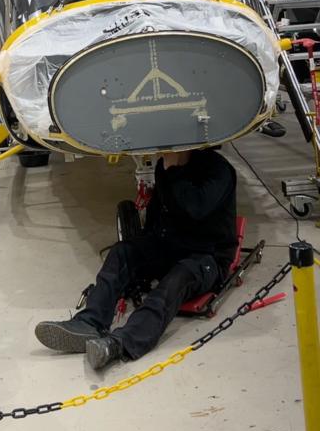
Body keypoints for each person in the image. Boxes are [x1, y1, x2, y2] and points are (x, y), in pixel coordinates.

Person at [35, 148, 236, 369]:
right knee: (122, 252)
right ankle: (89, 321)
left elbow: (195, 209)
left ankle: (121, 342)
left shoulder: (218, 169)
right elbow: (158, 215)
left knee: (177, 280)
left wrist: (173, 171)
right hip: (171, 245)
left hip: (207, 255)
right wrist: (141, 252)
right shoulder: (164, 166)